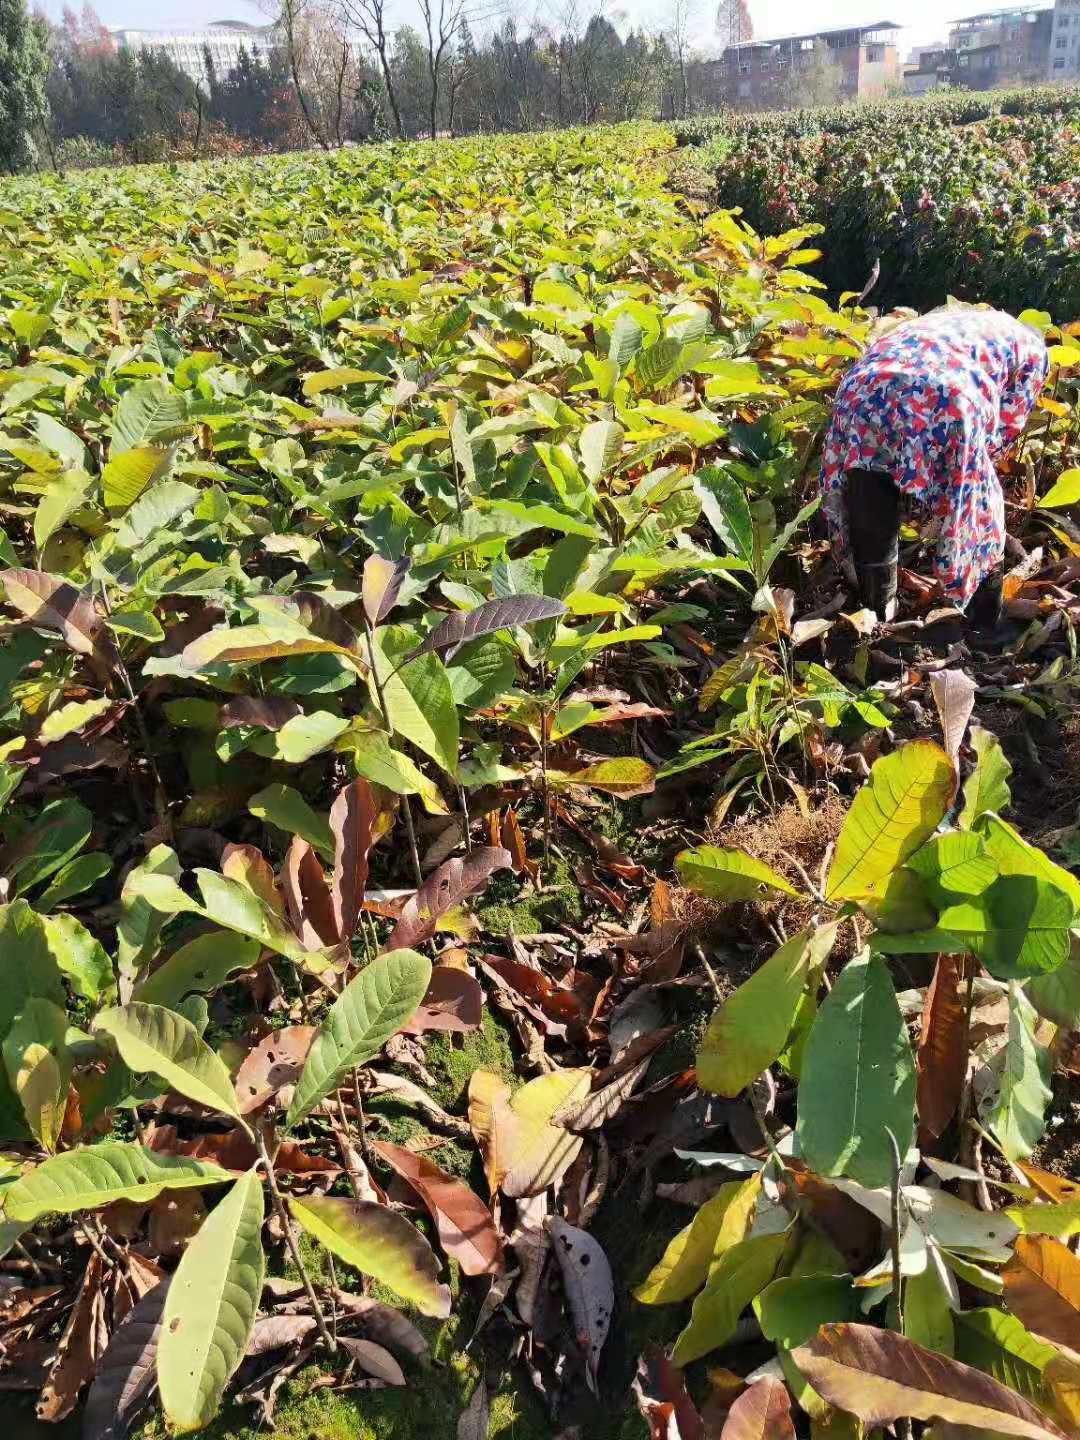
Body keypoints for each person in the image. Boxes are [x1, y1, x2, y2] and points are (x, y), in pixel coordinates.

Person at [819, 307, 1049, 625]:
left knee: (870, 490)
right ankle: (984, 624)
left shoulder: (956, 321)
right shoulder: (1035, 351)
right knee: (978, 515)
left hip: (863, 387)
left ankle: (877, 614)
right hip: (946, 394)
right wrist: (962, 482)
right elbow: (1007, 425)